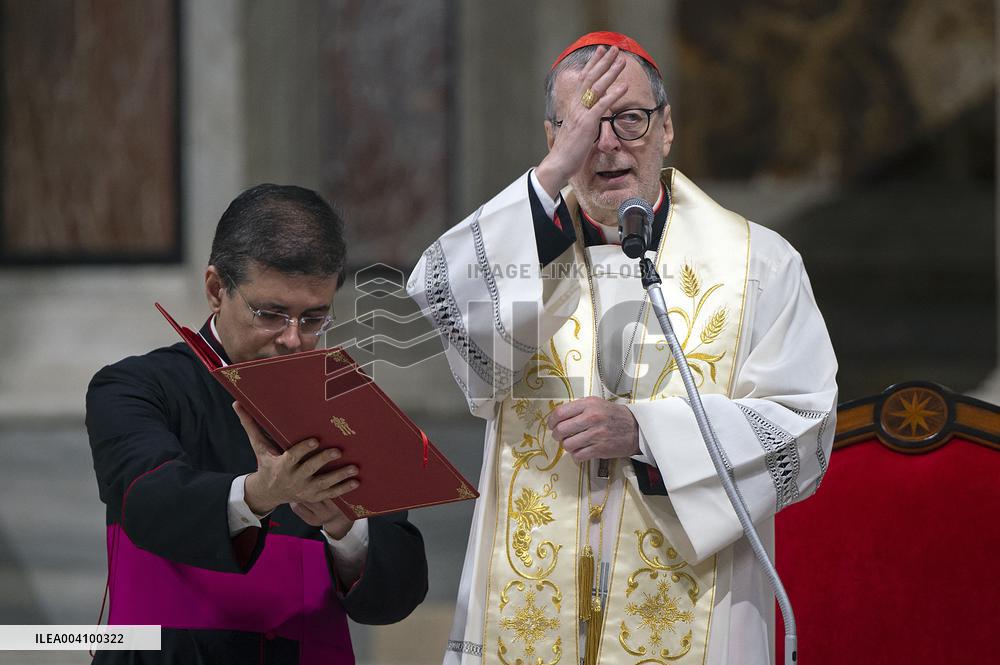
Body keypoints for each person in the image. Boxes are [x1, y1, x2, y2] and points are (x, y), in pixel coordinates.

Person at [407, 32, 837, 664]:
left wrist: (648, 434)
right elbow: (439, 293)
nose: (606, 143)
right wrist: (552, 173)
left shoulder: (758, 264)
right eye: (583, 124)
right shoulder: (516, 254)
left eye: (629, 119)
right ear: (552, 137)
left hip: (696, 610)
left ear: (667, 128)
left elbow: (805, 429)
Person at [87, 184, 428, 664]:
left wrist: (344, 525)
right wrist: (259, 494)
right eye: (271, 314)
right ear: (216, 290)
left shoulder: (349, 406)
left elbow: (396, 598)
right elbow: (145, 501)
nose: (293, 340)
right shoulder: (133, 386)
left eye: (313, 318)